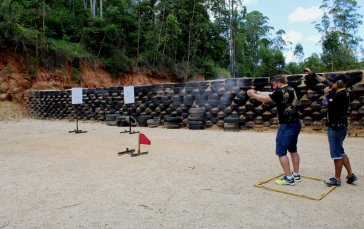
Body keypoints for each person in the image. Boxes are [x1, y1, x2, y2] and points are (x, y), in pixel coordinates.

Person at [247, 75, 301, 185]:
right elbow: (270, 94)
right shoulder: (290, 88)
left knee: (281, 152)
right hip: (296, 123)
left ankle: (288, 179)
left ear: (279, 83)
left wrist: (252, 94)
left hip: (287, 125)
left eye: (274, 84)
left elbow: (265, 99)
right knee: (293, 150)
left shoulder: (280, 91)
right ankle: (296, 175)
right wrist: (256, 91)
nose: (273, 87)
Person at [320, 73, 358, 186]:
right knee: (341, 151)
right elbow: (325, 81)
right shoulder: (343, 92)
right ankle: (350, 175)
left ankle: (337, 179)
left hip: (336, 127)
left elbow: (324, 106)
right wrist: (313, 74)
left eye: (334, 82)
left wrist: (326, 93)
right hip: (340, 126)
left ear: (341, 83)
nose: (331, 83)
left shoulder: (338, 95)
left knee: (336, 154)